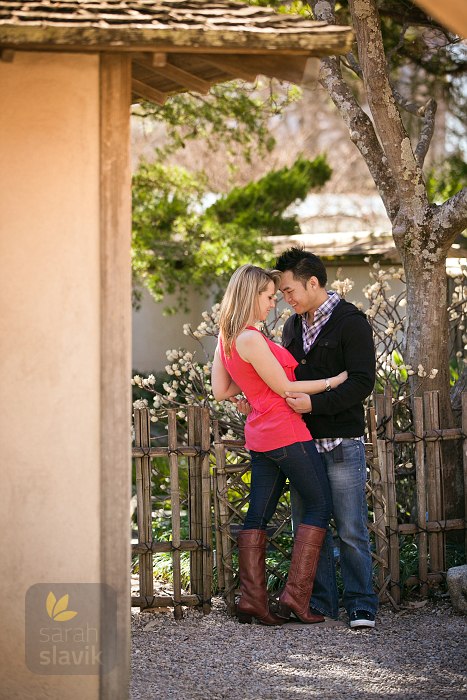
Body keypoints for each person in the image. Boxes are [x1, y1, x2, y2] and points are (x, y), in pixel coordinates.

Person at [211, 264, 348, 626]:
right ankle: (296, 598)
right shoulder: (251, 338)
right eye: (269, 296)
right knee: (320, 504)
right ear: (251, 294)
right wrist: (334, 381)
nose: (274, 303)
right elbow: (286, 389)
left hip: (260, 435)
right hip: (286, 431)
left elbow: (222, 390)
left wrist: (251, 392)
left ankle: (253, 600)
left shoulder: (227, 336)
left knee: (258, 514)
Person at [275, 246, 378, 629]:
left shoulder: (352, 322)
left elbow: (363, 382)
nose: (285, 298)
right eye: (282, 293)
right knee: (309, 527)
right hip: (301, 445)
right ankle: (319, 602)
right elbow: (283, 379)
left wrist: (316, 407)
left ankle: (361, 604)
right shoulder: (292, 327)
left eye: (289, 290)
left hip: (342, 443)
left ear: (312, 282)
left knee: (351, 528)